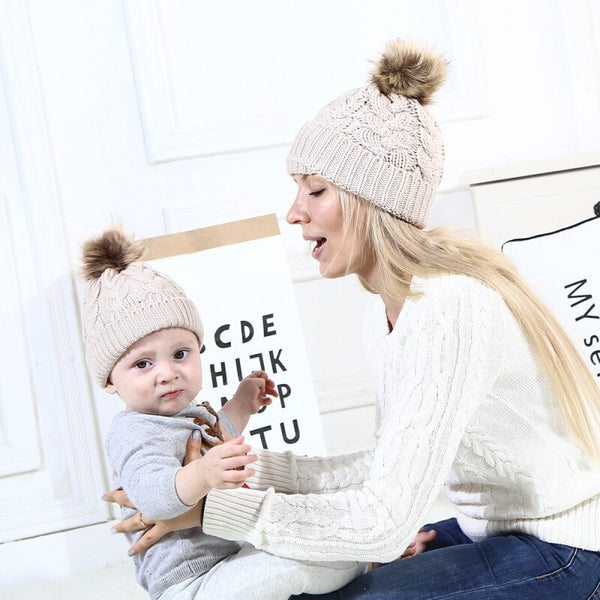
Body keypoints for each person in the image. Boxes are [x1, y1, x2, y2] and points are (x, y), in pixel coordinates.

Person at [108, 40, 600, 598]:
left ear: (372, 201)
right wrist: (240, 470)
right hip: (489, 532)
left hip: (565, 550)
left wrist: (209, 511)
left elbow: (381, 523)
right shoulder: (387, 310)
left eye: (315, 190)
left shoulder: (447, 308)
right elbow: (382, 468)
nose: (294, 212)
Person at [80, 226, 365, 600]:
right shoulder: (134, 431)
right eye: (143, 364)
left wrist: (244, 400)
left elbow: (222, 433)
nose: (167, 373)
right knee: (290, 567)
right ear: (110, 383)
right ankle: (363, 562)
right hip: (192, 583)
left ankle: (365, 559)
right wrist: (201, 473)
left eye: (180, 354)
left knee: (324, 548)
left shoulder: (191, 413)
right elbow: (152, 497)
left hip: (234, 554)